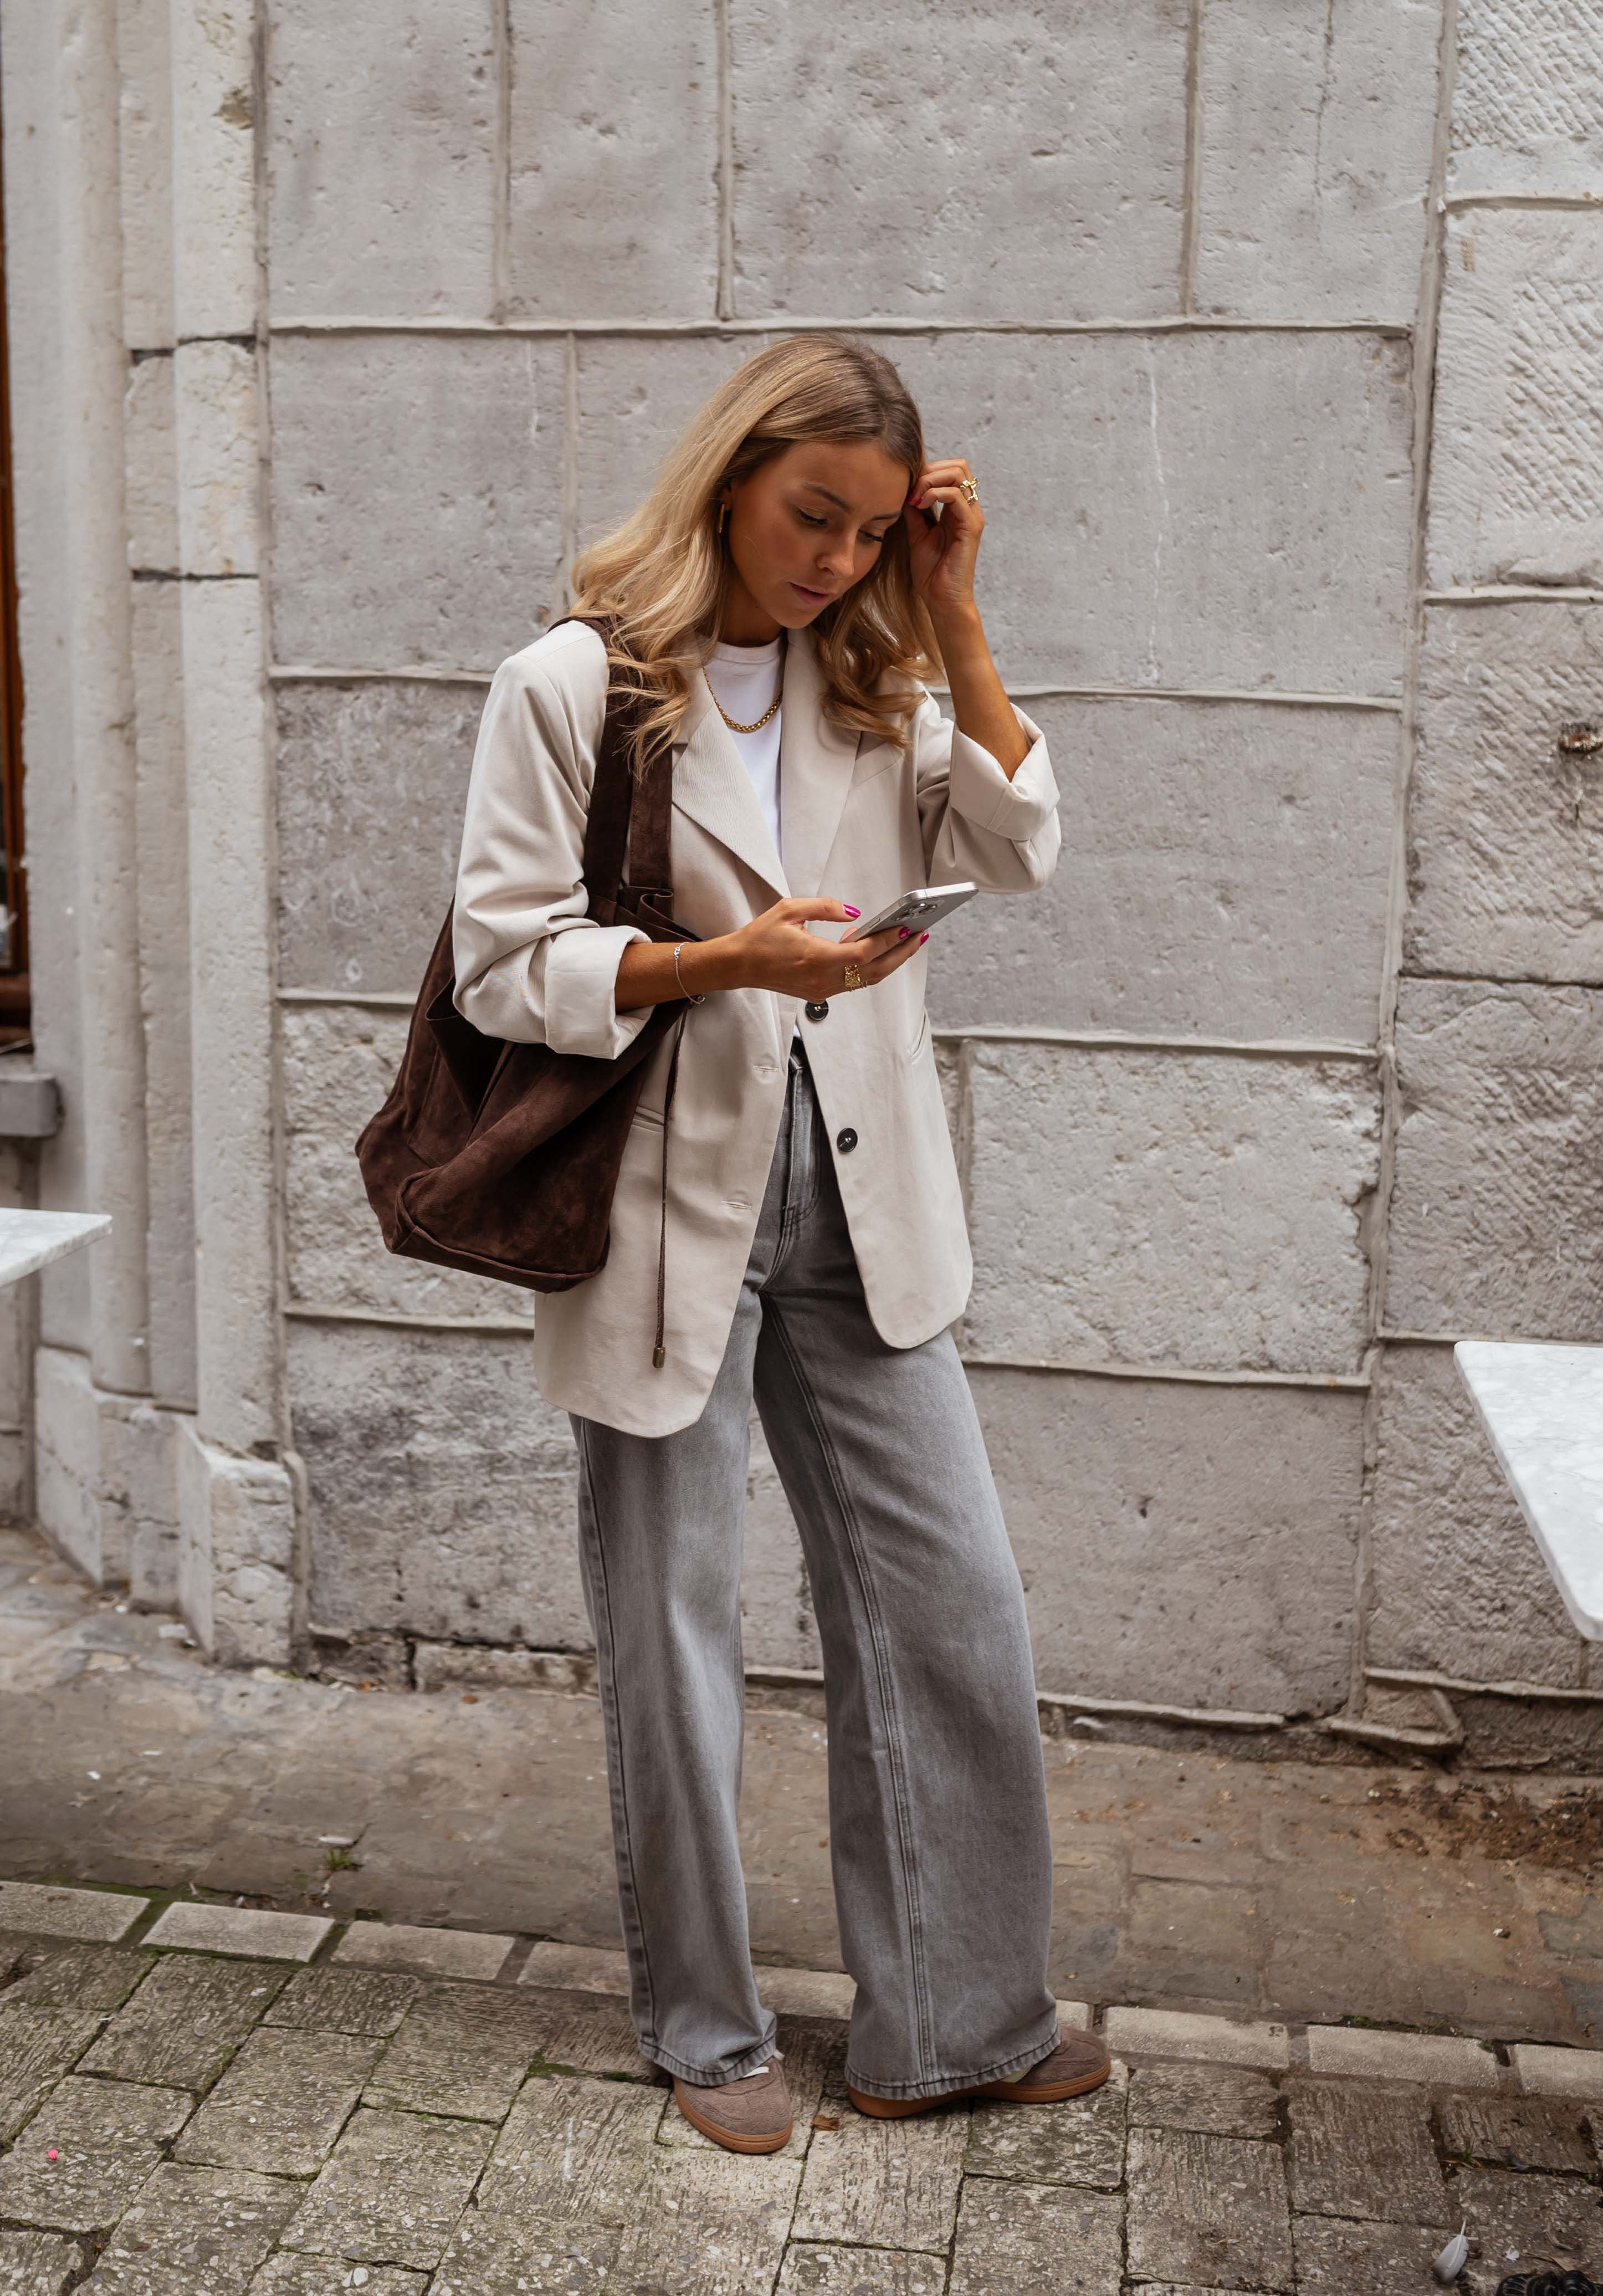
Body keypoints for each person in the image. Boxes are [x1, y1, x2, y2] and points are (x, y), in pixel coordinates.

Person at [451, 333, 1109, 2153]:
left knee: (953, 1601)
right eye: (814, 514)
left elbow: (1023, 844)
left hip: (865, 1201)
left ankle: (951, 2027)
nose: (835, 558)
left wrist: (954, 617)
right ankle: (708, 2031)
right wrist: (724, 961)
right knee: (674, 1627)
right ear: (733, 477)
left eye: (873, 530)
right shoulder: (571, 685)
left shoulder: (876, 684)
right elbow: (504, 962)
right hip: (662, 1214)